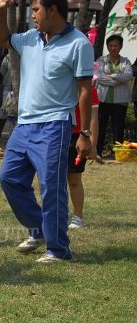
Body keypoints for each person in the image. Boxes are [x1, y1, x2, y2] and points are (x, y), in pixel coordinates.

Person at [0, 0, 94, 263]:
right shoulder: (29, 39)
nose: (33, 16)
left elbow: (85, 91)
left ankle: (59, 249)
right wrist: (3, 10)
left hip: (56, 125)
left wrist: (85, 134)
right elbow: (3, 39)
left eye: (36, 10)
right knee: (9, 178)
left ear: (52, 11)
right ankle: (39, 229)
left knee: (52, 187)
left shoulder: (79, 44)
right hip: (24, 124)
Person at [95, 35, 133, 158]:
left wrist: (111, 75)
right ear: (107, 46)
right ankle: (97, 152)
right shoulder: (101, 60)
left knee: (118, 128)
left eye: (116, 45)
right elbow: (98, 77)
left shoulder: (125, 61)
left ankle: (117, 153)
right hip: (103, 100)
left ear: (120, 47)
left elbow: (128, 75)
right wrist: (117, 79)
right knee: (100, 127)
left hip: (120, 101)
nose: (113, 48)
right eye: (110, 45)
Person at [67, 84, 99, 230]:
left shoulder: (89, 90)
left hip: (78, 137)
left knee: (74, 180)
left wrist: (93, 145)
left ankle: (78, 216)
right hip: (56, 134)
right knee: (53, 180)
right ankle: (56, 215)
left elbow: (93, 119)